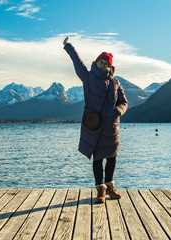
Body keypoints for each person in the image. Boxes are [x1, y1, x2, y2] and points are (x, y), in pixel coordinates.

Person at [63, 36, 128, 203]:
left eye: (107, 63)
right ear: (96, 62)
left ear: (110, 66)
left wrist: (117, 112)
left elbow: (124, 102)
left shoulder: (115, 83)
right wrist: (68, 46)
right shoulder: (88, 77)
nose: (103, 65)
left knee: (112, 158)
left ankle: (110, 187)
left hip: (112, 127)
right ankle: (100, 190)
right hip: (94, 125)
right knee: (98, 158)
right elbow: (77, 62)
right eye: (101, 62)